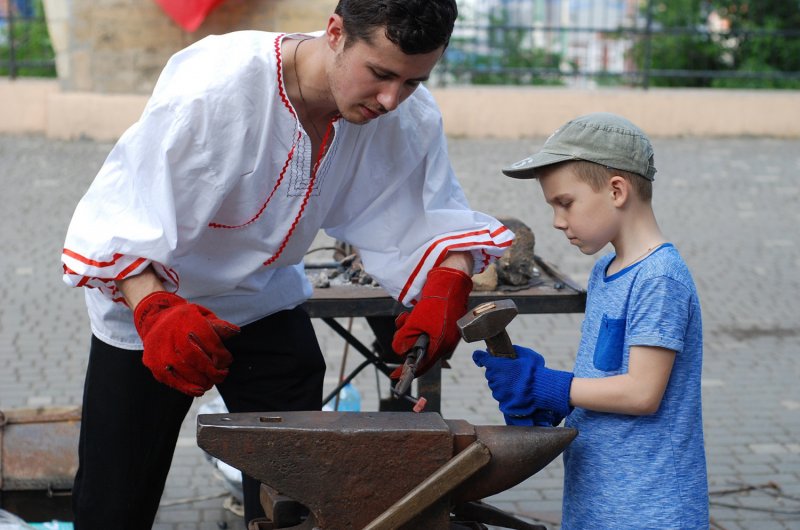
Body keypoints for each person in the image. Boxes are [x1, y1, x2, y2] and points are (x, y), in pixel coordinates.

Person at [61, 1, 514, 527]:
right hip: (151, 303)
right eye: (381, 74)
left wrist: (446, 287)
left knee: (298, 490)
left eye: (413, 81)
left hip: (263, 298)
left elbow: (430, 214)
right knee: (113, 497)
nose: (392, 98)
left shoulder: (404, 114)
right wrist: (156, 312)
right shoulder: (216, 87)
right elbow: (124, 217)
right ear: (336, 32)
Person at [472, 113, 709, 529]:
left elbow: (642, 392)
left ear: (617, 190)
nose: (557, 221)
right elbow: (604, 374)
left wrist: (551, 386)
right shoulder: (606, 271)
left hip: (649, 506)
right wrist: (551, 399)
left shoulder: (659, 278)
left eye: (565, 203)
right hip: (598, 495)